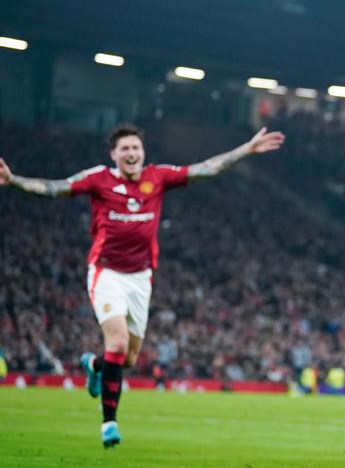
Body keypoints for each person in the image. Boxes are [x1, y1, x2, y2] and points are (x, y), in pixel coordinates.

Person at [0, 123, 285, 448]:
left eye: (136, 148)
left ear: (143, 152)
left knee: (128, 359)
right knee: (118, 344)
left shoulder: (157, 177)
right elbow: (56, 188)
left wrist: (247, 149)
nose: (131, 153)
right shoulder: (99, 179)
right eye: (125, 149)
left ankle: (94, 366)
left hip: (140, 278)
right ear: (114, 154)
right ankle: (109, 423)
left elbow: (206, 169)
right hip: (106, 273)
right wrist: (14, 181)